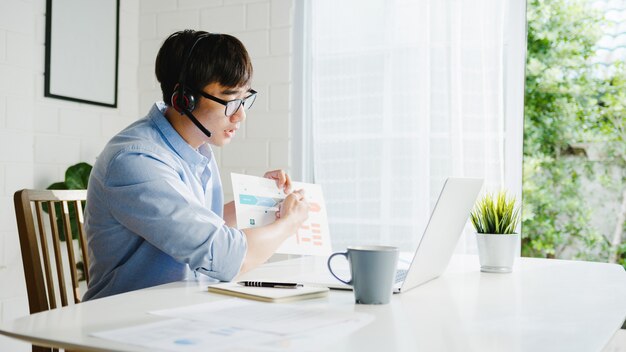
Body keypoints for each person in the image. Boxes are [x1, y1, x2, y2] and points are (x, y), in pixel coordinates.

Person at [82, 30, 309, 301]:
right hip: (127, 326)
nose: (241, 115)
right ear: (183, 99)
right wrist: (290, 224)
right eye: (229, 100)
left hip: (181, 313)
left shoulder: (195, 147)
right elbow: (227, 258)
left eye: (244, 99)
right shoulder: (136, 161)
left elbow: (197, 224)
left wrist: (264, 204)